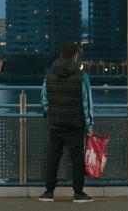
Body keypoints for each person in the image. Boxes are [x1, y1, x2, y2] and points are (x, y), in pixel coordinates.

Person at [38, 42, 94, 203]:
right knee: (77, 158)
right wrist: (89, 126)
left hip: (55, 124)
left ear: (61, 55)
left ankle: (48, 192)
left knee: (53, 157)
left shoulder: (49, 75)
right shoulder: (82, 77)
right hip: (75, 125)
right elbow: (87, 104)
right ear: (75, 56)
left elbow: (43, 99)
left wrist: (51, 115)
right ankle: (78, 193)